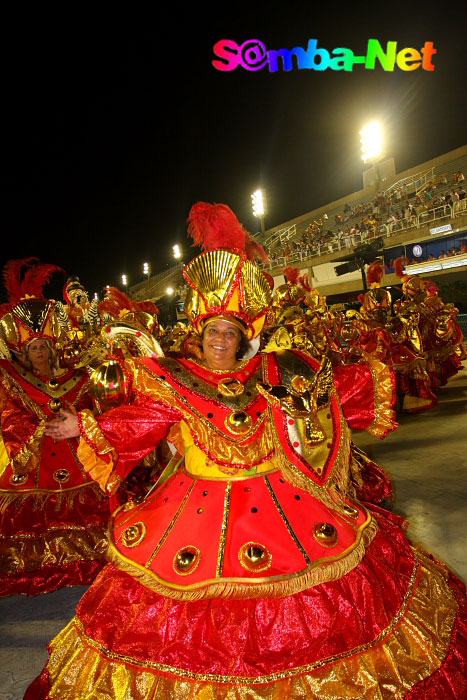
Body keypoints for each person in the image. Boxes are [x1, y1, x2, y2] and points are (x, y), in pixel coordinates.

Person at [28, 205, 467, 699]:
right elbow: (142, 422)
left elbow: (326, 395)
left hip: (286, 509)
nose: (220, 339)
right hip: (192, 512)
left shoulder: (273, 373)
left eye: (230, 332)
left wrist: (375, 374)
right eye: (213, 330)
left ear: (243, 338)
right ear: (200, 332)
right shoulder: (175, 381)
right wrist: (83, 428)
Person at [0, 259, 109, 596]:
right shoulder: (14, 380)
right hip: (36, 458)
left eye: (43, 347)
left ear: (52, 347)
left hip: (76, 453)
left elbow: (93, 403)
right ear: (24, 351)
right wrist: (38, 429)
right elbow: (10, 418)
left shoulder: (75, 378)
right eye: (32, 348)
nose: (39, 354)